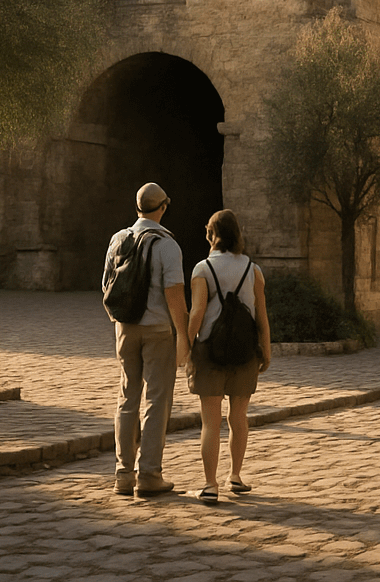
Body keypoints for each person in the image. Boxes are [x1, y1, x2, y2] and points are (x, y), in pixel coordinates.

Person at [105, 182, 188, 497]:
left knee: (127, 397)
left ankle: (123, 474)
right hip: (158, 330)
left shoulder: (118, 240)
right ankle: (149, 474)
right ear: (163, 207)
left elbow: (106, 285)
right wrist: (183, 336)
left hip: (125, 327)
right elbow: (175, 296)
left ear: (136, 207)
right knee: (156, 400)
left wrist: (120, 321)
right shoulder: (167, 245)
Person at [186, 209, 271, 504]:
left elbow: (197, 312)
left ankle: (210, 484)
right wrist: (267, 349)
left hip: (209, 350)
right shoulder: (253, 270)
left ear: (212, 234)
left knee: (210, 421)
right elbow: (261, 314)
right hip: (245, 351)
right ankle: (235, 476)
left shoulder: (202, 269)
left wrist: (186, 345)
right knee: (239, 416)